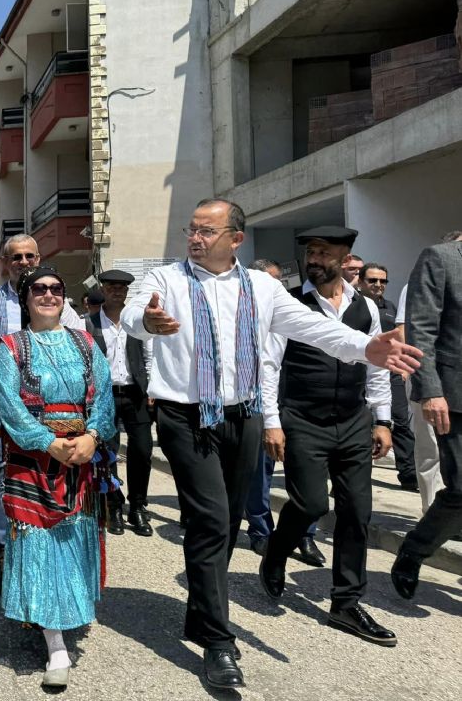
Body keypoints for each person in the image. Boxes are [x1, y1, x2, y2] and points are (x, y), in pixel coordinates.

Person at [120, 198, 420, 690]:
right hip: (184, 416)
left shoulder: (262, 287)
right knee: (213, 521)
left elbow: (313, 329)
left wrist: (366, 348)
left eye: (206, 231)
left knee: (229, 523)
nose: (194, 238)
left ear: (235, 239)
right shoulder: (165, 280)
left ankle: (201, 613)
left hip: (243, 417)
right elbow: (136, 313)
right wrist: (147, 324)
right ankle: (218, 640)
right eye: (190, 230)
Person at [258, 227, 396, 646]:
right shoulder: (291, 304)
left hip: (354, 419)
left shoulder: (367, 308)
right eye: (310, 252)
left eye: (324, 252)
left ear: (345, 257)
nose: (314, 259)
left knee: (357, 511)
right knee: (311, 503)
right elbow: (269, 364)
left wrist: (383, 419)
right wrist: (272, 421)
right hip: (302, 418)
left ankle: (346, 603)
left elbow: (377, 363)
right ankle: (277, 553)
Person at [0, 265, 116, 689]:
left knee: (72, 536)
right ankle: (55, 644)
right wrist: (48, 442)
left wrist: (94, 436)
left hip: (82, 455)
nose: (48, 295)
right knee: (40, 540)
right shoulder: (11, 347)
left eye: (56, 289)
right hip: (34, 456)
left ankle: (69, 609)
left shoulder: (85, 343)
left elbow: (103, 394)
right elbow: (9, 407)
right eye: (39, 290)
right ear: (25, 299)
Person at [0, 233, 82, 595]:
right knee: (7, 475)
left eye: (29, 255)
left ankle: (50, 551)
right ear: (5, 262)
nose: (23, 262)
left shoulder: (55, 296)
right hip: (4, 398)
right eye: (15, 257)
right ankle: (7, 552)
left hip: (51, 405)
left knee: (51, 473)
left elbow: (80, 342)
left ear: (39, 257)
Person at [391, 236, 462, 600]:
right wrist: (431, 390)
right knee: (461, 488)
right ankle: (415, 549)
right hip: (455, 396)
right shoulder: (442, 258)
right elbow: (421, 329)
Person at [243, 259, 323, 565]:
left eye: (279, 281)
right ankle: (261, 531)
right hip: (261, 406)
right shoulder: (246, 316)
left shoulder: (297, 311)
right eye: (268, 282)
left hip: (300, 406)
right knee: (259, 474)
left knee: (306, 476)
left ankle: (305, 535)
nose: (275, 287)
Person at [85, 269, 154, 537]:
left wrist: (152, 390)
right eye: (112, 286)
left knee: (143, 451)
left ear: (128, 291)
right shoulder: (89, 323)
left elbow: (149, 357)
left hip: (135, 393)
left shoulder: (136, 322)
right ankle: (113, 504)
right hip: (105, 396)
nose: (117, 291)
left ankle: (138, 506)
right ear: (102, 288)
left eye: (122, 287)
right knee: (108, 452)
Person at [357, 262, 417, 491]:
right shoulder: (353, 308)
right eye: (372, 280)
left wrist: (401, 367)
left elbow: (400, 338)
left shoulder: (392, 308)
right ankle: (355, 476)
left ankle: (409, 475)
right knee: (361, 427)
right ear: (361, 282)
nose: (378, 285)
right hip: (361, 374)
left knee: (401, 423)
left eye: (383, 281)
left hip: (391, 375)